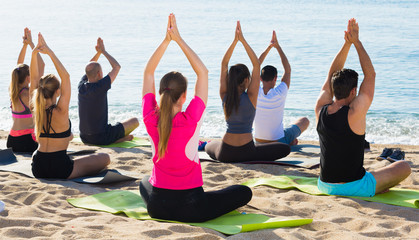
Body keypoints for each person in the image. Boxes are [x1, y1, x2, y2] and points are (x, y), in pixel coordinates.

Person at [140, 14, 252, 222]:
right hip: (191, 207)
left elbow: (148, 72)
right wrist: (178, 39)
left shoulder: (150, 117)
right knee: (243, 192)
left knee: (145, 182)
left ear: (161, 95)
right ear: (184, 97)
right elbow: (203, 72)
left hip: (157, 207)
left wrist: (166, 41)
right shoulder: (191, 118)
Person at [315, 19, 411, 197]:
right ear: (353, 91)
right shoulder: (355, 113)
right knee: (404, 167)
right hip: (354, 187)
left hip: (324, 185)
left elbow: (330, 76)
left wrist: (346, 45)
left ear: (333, 88)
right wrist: (357, 42)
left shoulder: (320, 109)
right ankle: (378, 186)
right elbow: (371, 75)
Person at [205, 21, 290, 163]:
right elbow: (256, 65)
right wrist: (242, 40)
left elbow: (224, 64)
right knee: (284, 148)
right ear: (246, 80)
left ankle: (208, 144)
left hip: (225, 153)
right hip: (247, 152)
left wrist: (234, 42)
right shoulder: (251, 96)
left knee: (209, 146)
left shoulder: (224, 95)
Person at [30, 33, 110, 179]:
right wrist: (49, 52)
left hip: (38, 168)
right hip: (60, 169)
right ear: (58, 91)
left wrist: (34, 53)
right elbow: (65, 76)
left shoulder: (36, 109)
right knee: (105, 158)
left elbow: (34, 77)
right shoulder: (61, 111)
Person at [78, 38, 139, 145]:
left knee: (109, 126)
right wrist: (104, 51)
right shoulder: (101, 86)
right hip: (100, 137)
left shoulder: (81, 86)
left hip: (84, 137)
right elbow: (117, 67)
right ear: (99, 74)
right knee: (135, 121)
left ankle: (115, 138)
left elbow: (89, 67)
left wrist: (98, 53)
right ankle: (117, 140)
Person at [254, 31, 309, 146]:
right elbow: (287, 70)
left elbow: (256, 65)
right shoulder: (280, 92)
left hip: (258, 141)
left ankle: (290, 140)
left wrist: (269, 47)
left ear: (260, 78)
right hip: (278, 142)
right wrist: (277, 47)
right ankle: (289, 141)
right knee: (305, 121)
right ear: (275, 78)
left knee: (285, 130)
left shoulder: (254, 92)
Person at [7, 28, 44, 153]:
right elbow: (42, 65)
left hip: (11, 141)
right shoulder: (29, 94)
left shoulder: (13, 90)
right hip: (26, 141)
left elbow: (18, 66)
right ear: (28, 78)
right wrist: (32, 45)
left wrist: (24, 45)